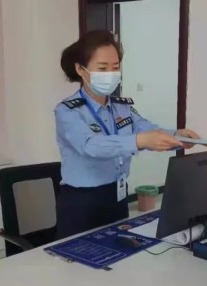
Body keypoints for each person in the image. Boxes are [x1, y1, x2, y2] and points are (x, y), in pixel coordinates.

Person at [55, 30, 199, 239]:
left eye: (115, 67)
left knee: (119, 252)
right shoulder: (68, 111)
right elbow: (91, 146)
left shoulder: (121, 107)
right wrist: (139, 141)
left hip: (116, 196)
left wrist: (178, 136)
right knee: (80, 258)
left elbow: (144, 128)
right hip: (82, 203)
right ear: (80, 69)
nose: (110, 74)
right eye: (102, 68)